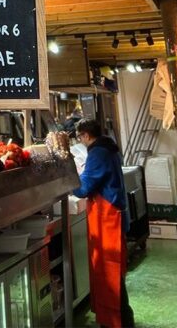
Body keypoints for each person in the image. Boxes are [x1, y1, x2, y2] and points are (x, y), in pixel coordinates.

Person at [73, 119, 135, 328]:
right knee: (113, 273)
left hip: (108, 219)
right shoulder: (108, 147)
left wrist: (68, 182)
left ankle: (117, 321)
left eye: (80, 137)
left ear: (86, 135)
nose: (80, 140)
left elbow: (85, 187)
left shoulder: (97, 153)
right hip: (112, 215)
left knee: (109, 272)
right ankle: (122, 318)